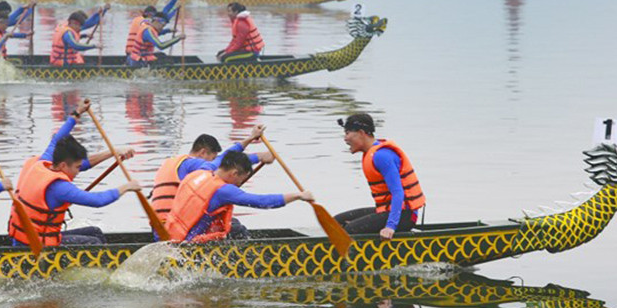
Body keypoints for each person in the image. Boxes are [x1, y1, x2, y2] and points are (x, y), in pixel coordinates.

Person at [8, 100, 139, 247]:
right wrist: (127, 187)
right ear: (63, 165)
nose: (79, 170)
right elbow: (98, 201)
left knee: (95, 232)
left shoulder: (44, 163)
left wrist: (77, 113)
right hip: (37, 247)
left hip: (23, 239)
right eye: (77, 167)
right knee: (94, 242)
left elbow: (57, 139)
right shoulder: (60, 187)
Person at [165, 151, 313, 243]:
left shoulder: (202, 171)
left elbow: (223, 156)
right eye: (241, 180)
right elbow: (261, 202)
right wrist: (298, 196)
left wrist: (259, 157)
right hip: (189, 244)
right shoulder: (224, 191)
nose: (239, 184)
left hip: (170, 235)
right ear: (234, 174)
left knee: (233, 224)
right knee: (238, 231)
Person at [151, 126, 273, 229]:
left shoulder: (173, 163)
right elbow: (226, 162)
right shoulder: (194, 164)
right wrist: (258, 157)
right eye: (213, 158)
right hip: (172, 227)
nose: (216, 164)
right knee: (234, 227)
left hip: (160, 226)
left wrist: (250, 138)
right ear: (203, 153)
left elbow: (225, 158)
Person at [335, 113, 425, 240]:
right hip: (387, 210)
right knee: (335, 222)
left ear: (361, 133)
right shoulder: (370, 154)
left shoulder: (381, 156)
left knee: (351, 230)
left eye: (347, 133)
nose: (345, 138)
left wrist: (390, 226)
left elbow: (398, 192)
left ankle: (353, 255)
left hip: (405, 215)